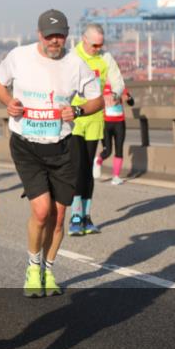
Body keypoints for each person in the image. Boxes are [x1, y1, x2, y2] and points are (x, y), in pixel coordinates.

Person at [0, 10, 103, 297]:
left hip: (62, 146)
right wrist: (8, 102)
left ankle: (48, 271)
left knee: (59, 216)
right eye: (50, 36)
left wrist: (78, 110)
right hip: (27, 144)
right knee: (41, 211)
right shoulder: (20, 56)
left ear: (67, 36)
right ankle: (32, 268)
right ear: (39, 34)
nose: (55, 41)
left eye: (60, 36)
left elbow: (97, 99)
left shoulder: (75, 64)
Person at [67, 24, 124, 236]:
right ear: (84, 39)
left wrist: (114, 95)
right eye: (94, 45)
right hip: (74, 120)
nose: (97, 49)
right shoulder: (71, 57)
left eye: (101, 45)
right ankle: (75, 215)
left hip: (95, 119)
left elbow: (118, 82)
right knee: (77, 167)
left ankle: (87, 216)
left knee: (87, 169)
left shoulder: (105, 58)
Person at [98, 84, 135, 185]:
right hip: (106, 123)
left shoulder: (121, 86)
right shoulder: (102, 86)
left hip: (119, 123)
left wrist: (128, 98)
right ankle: (98, 161)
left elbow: (131, 102)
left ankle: (116, 177)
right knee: (107, 151)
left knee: (119, 149)